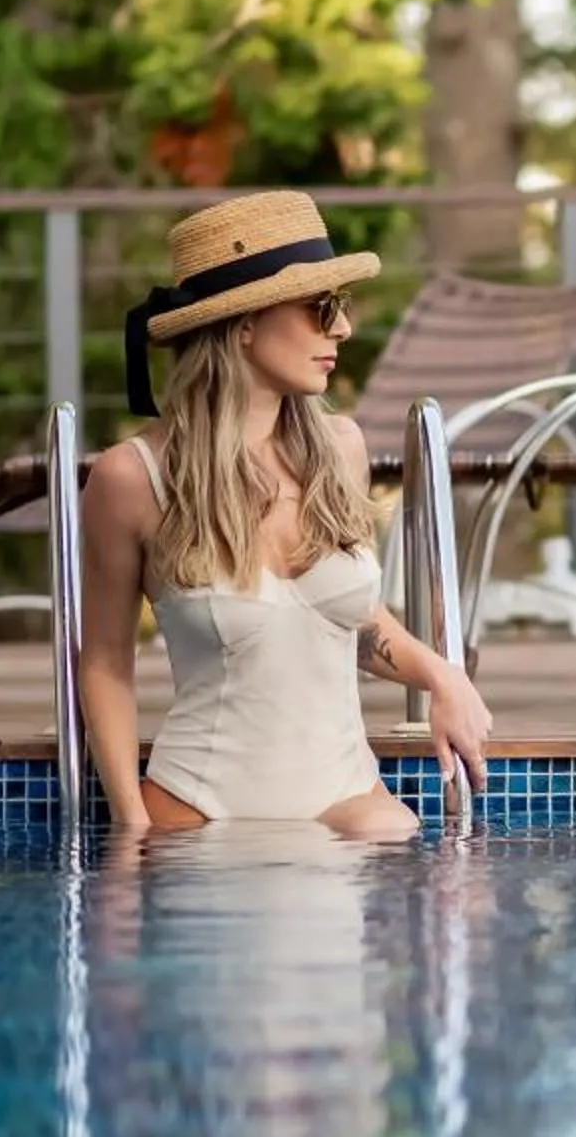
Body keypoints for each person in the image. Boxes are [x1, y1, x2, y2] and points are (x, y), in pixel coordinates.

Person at [79, 192, 491, 837]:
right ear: (244, 323)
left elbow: (345, 621)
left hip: (350, 804)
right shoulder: (132, 478)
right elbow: (104, 661)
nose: (343, 329)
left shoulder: (340, 451)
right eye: (320, 308)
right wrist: (130, 827)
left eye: (342, 308)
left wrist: (444, 676)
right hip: (198, 815)